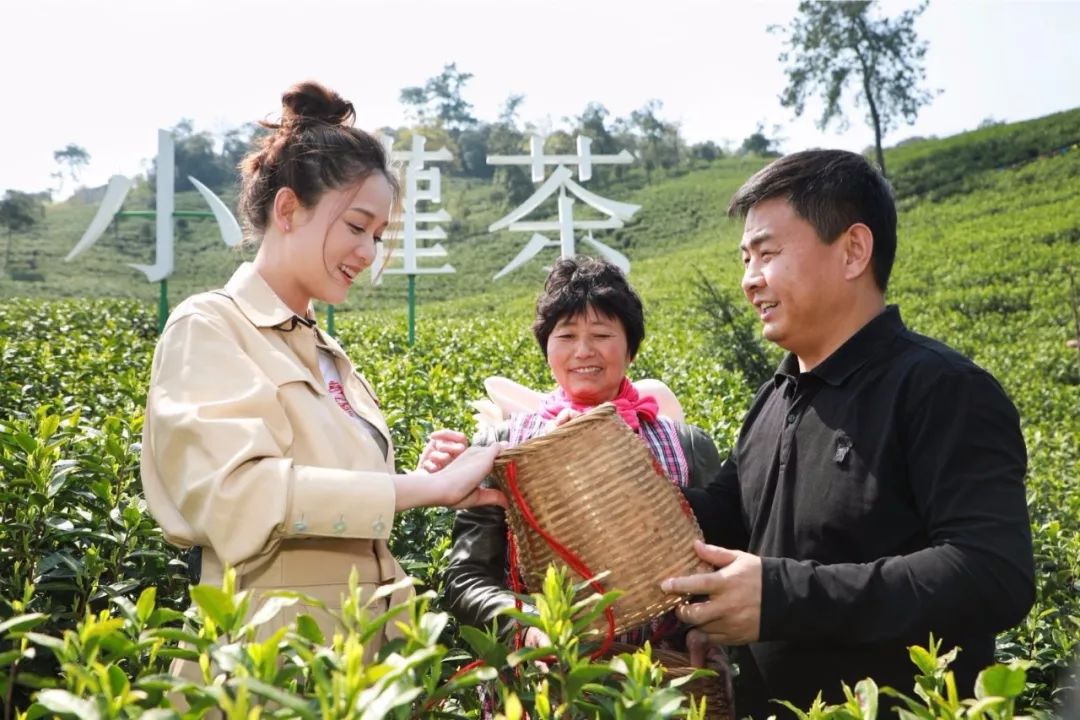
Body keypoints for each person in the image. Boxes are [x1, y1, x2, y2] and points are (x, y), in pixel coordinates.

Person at [660, 149, 1035, 717]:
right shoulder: (776, 397)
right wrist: (579, 477)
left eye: (767, 253)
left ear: (854, 250)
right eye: (744, 259)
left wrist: (783, 598)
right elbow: (721, 517)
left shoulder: (941, 388)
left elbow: (991, 572)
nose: (748, 280)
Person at [140, 81, 504, 651]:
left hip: (364, 660)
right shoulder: (210, 327)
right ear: (288, 208)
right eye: (357, 226)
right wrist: (420, 489)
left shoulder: (329, 354)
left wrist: (426, 477)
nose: (368, 252)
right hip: (272, 661)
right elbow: (241, 496)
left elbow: (336, 497)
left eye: (378, 236)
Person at [445, 256, 724, 653]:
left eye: (601, 334)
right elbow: (466, 577)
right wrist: (525, 625)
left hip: (668, 681)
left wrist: (708, 630)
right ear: (546, 349)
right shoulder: (502, 448)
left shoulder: (688, 446)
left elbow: (724, 561)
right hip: (544, 679)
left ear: (630, 348)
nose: (583, 351)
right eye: (567, 335)